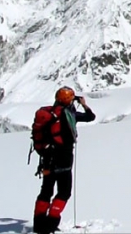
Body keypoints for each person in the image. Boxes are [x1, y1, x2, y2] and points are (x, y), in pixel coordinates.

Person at [32, 86, 96, 234]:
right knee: (64, 192)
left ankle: (39, 224)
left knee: (46, 191)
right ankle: (50, 224)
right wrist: (84, 104)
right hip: (63, 159)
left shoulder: (50, 113)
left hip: (47, 157)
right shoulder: (69, 114)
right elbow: (90, 117)